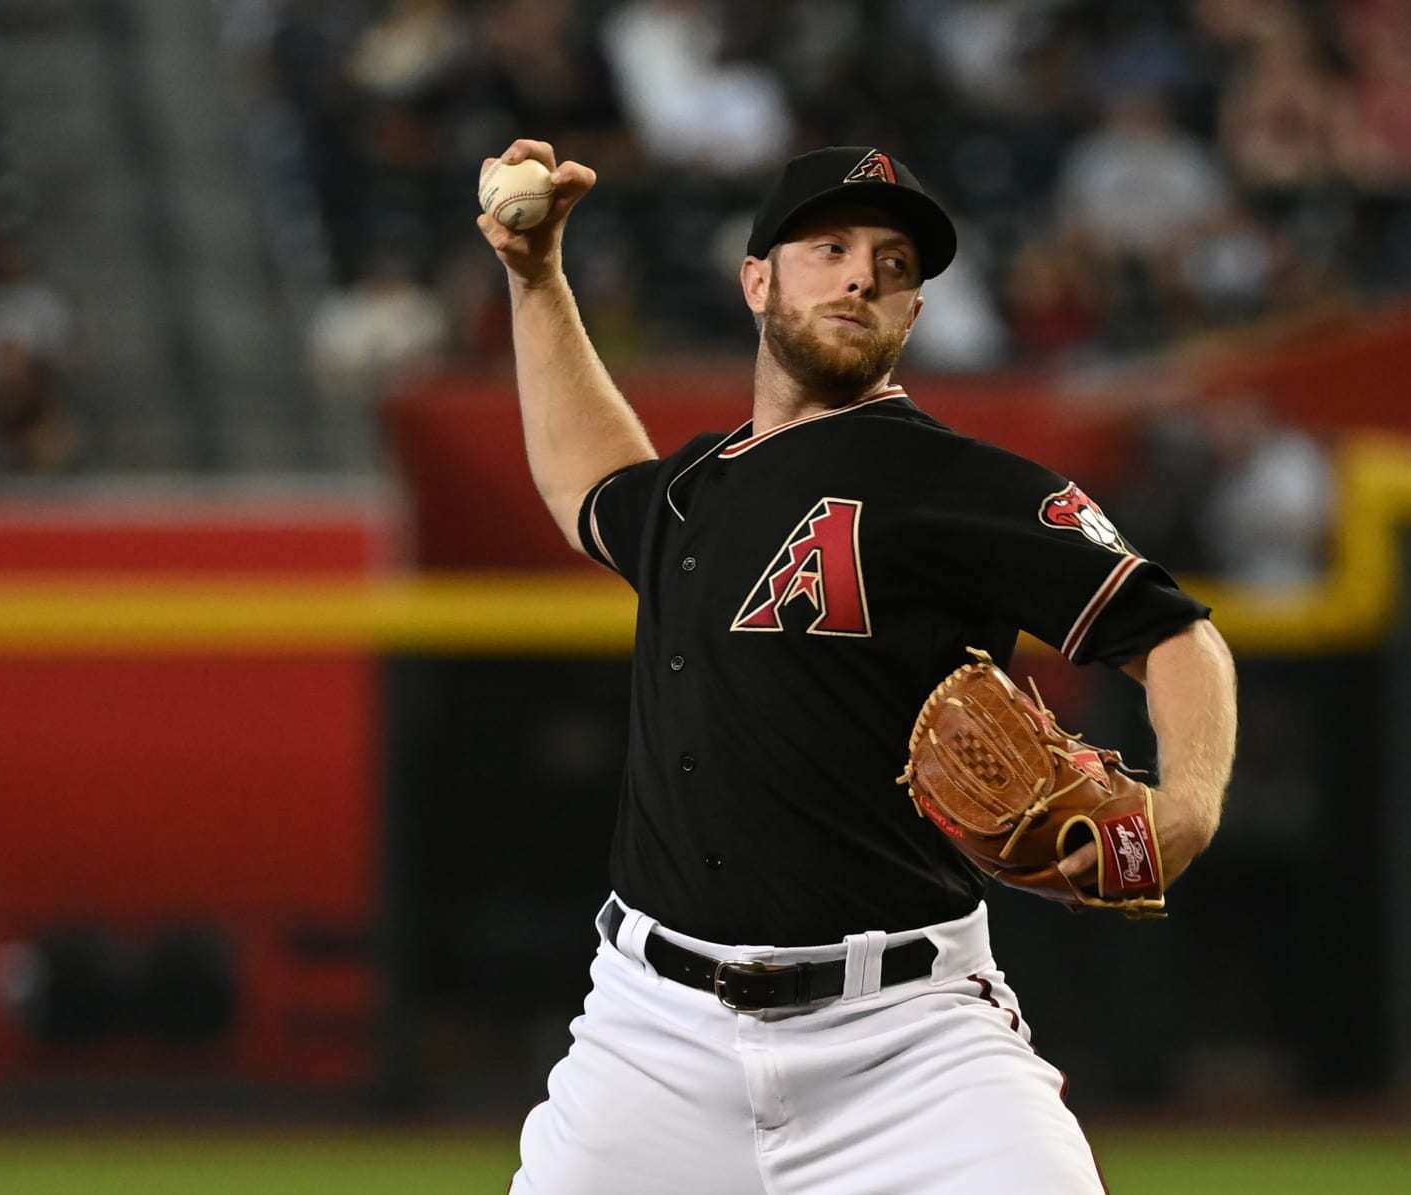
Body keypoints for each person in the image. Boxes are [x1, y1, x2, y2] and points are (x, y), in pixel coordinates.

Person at [478, 139, 1238, 1194]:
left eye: (892, 264)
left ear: (913, 313)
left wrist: (1188, 805)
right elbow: (588, 483)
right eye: (827, 247)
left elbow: (1175, 635)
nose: (859, 276)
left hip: (907, 1040)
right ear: (756, 281)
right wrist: (536, 277)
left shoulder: (962, 484)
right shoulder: (698, 490)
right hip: (653, 1037)